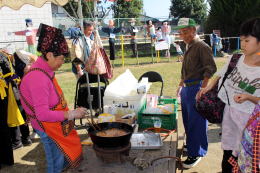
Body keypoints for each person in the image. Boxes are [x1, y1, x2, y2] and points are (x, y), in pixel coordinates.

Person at [19, 23, 86, 173]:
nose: (62, 63)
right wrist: (71, 114)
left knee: (61, 158)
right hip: (46, 127)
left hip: (54, 123)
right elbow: (42, 114)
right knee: (55, 163)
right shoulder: (38, 77)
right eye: (61, 59)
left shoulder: (45, 68)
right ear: (49, 55)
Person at [198, 17, 260, 173]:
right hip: (229, 115)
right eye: (241, 40)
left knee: (246, 160)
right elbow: (221, 74)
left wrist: (249, 97)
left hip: (250, 124)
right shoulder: (236, 58)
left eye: (247, 41)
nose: (243, 44)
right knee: (227, 155)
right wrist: (208, 87)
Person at [175, 18, 217, 168]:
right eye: (181, 32)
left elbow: (210, 68)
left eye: (186, 31)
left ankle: (197, 152)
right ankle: (192, 144)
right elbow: (186, 69)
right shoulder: (189, 45)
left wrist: (203, 89)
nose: (183, 35)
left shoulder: (201, 46)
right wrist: (181, 84)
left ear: (193, 30)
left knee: (197, 122)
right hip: (187, 88)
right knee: (188, 120)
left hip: (197, 87)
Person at [0, 51, 14, 168]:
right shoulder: (2, 55)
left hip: (2, 94)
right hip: (3, 95)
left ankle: (7, 159)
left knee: (4, 127)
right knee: (4, 127)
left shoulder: (2, 55)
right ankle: (8, 159)